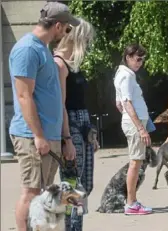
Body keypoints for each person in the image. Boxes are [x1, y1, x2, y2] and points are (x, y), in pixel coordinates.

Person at [8, 2, 79, 231]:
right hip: (32, 136)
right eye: (67, 28)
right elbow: (23, 96)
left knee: (44, 194)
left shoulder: (43, 50)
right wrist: (39, 136)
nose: (66, 33)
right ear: (57, 26)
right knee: (31, 193)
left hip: (50, 136)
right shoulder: (27, 49)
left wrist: (66, 138)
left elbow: (56, 99)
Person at [53, 18, 96, 231]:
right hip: (70, 125)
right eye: (86, 38)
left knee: (85, 185)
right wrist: (67, 137)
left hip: (83, 123)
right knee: (72, 186)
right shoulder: (59, 64)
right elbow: (60, 104)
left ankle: (76, 227)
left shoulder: (73, 65)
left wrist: (91, 131)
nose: (88, 43)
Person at [114, 44, 152, 215]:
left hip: (133, 122)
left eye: (142, 60)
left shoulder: (123, 74)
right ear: (128, 57)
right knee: (135, 162)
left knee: (136, 162)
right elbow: (126, 103)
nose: (140, 63)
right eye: (137, 59)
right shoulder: (126, 76)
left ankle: (132, 201)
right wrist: (140, 128)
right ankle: (131, 202)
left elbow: (119, 103)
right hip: (134, 124)